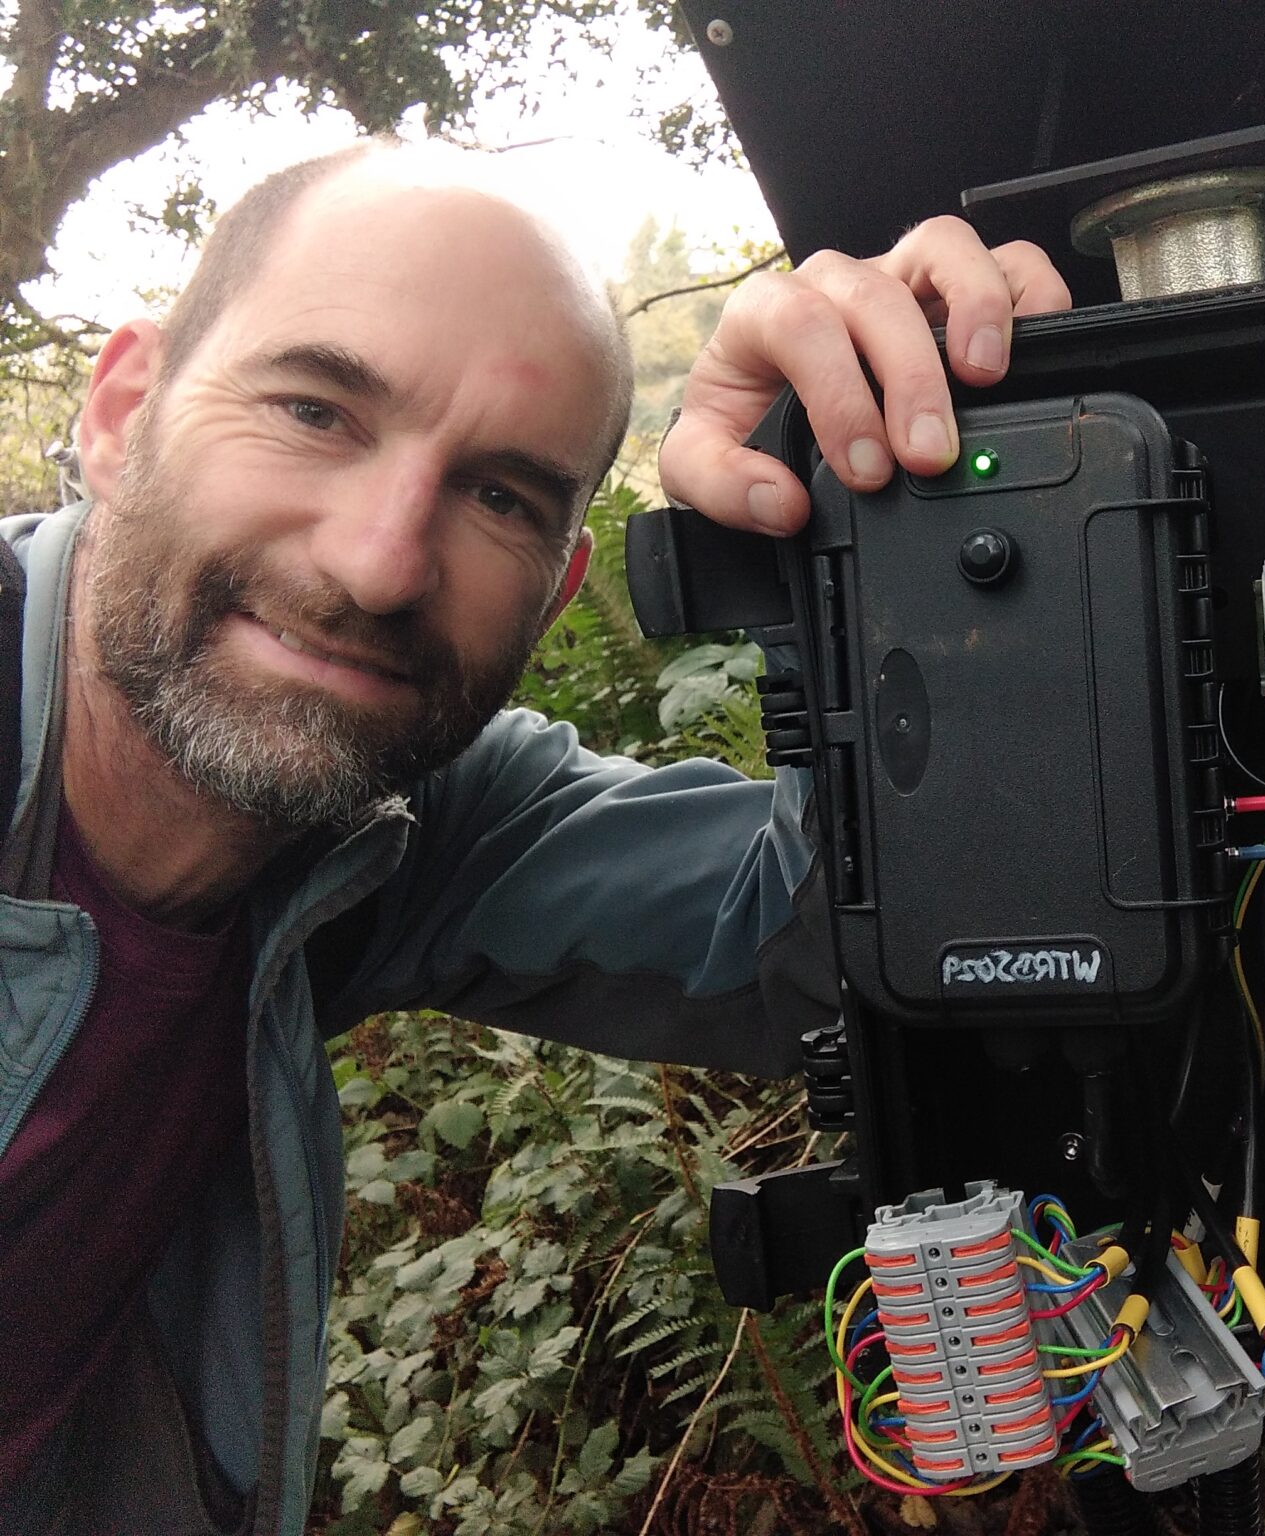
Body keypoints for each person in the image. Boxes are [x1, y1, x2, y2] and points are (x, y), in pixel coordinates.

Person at [0, 138, 1071, 1534]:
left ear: (562, 588)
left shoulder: (393, 816)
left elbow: (850, 938)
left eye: (500, 496)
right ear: (121, 409)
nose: (380, 563)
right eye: (314, 411)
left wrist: (882, 529)